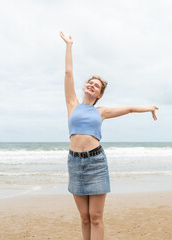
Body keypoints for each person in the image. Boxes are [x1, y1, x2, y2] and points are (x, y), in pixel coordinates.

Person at [60, 31, 159, 240]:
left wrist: (148, 107)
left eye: (96, 85)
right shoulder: (72, 104)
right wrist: (69, 45)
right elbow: (68, 74)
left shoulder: (101, 111)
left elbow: (129, 109)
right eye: (90, 82)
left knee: (95, 217)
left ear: (99, 94)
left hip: (95, 163)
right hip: (74, 163)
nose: (91, 85)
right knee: (84, 218)